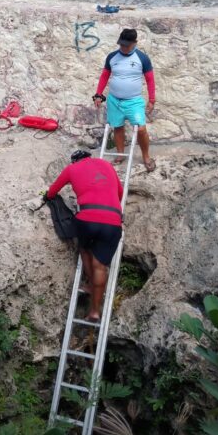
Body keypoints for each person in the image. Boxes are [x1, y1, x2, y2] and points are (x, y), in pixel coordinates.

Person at [45, 150, 124, 322]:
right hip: (113, 221)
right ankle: (95, 311)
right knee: (100, 266)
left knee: (85, 249)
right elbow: (120, 192)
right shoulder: (107, 165)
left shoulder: (72, 169)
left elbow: (52, 191)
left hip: (87, 219)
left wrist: (48, 196)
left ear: (75, 161)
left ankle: (88, 284)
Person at [93, 28, 156, 172]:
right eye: (121, 44)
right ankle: (120, 154)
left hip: (134, 101)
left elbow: (150, 79)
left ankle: (146, 156)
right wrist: (98, 94)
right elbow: (104, 76)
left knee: (141, 129)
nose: (124, 48)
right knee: (117, 127)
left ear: (135, 43)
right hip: (114, 100)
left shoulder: (142, 58)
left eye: (127, 45)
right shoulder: (112, 57)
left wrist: (152, 99)